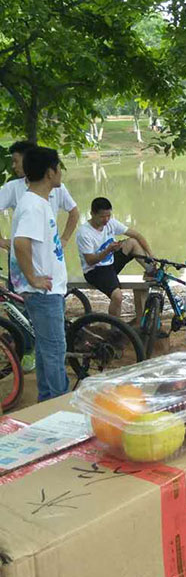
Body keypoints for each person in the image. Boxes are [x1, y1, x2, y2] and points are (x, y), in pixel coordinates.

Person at [10, 147, 70, 401]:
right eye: (59, 167)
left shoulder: (37, 202)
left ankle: (47, 401)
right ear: (50, 172)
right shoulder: (34, 206)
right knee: (55, 349)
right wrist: (33, 277)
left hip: (47, 291)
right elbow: (21, 243)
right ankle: (59, 404)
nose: (60, 172)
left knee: (47, 349)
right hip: (43, 293)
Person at [75, 198, 156, 319]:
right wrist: (108, 250)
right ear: (92, 214)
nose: (106, 219)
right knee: (117, 297)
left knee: (132, 242)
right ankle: (114, 326)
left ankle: (151, 270)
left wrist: (150, 254)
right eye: (102, 216)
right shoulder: (84, 233)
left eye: (108, 215)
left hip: (110, 261)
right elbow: (90, 261)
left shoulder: (110, 223)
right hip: (95, 270)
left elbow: (137, 235)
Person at [0, 139, 79, 263]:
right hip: (24, 257)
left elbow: (74, 212)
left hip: (49, 253)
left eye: (16, 161)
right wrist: (1, 240)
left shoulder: (57, 188)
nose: (13, 166)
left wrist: (64, 239)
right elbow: (20, 242)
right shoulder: (15, 190)